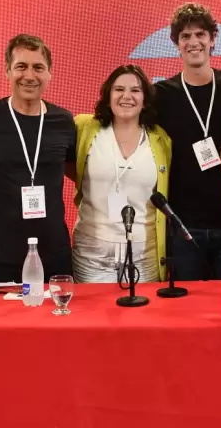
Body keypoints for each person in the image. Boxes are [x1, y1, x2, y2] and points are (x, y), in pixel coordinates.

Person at [0, 34, 76, 282]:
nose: (29, 76)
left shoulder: (64, 121)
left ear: (49, 74)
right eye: (21, 66)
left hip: (54, 254)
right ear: (7, 71)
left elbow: (81, 178)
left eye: (38, 67)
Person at [154, 3, 221, 280]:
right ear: (176, 43)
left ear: (213, 39)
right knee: (186, 302)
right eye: (185, 36)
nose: (193, 42)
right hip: (183, 225)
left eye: (200, 34)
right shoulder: (161, 94)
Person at [71, 65, 172, 283]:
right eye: (119, 89)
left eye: (135, 90)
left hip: (144, 254)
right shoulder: (83, 128)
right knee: (93, 306)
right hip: (91, 253)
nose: (127, 96)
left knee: (144, 307)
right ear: (108, 97)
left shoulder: (161, 139)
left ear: (145, 99)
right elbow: (68, 167)